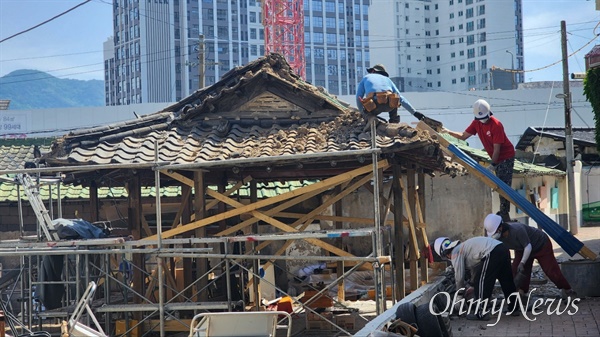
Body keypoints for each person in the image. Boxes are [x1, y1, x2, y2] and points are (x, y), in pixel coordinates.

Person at [442, 99, 515, 221]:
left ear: (489, 113)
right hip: (496, 157)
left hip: (506, 156)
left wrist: (493, 165)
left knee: (504, 185)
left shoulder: (496, 125)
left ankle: (504, 213)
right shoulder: (476, 123)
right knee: (498, 184)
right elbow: (463, 136)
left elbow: (497, 149)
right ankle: (503, 211)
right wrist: (448, 131)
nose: (482, 120)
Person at [483, 213, 577, 299]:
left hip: (541, 245)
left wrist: (522, 262)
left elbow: (528, 247)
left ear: (500, 228)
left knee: (551, 271)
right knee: (516, 270)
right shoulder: (497, 238)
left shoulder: (517, 230)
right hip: (521, 249)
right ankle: (521, 293)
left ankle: (568, 290)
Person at [433, 236, 518, 320]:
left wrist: (459, 295)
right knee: (507, 280)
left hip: (491, 252)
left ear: (445, 254)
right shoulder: (464, 247)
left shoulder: (455, 252)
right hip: (502, 248)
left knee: (482, 282)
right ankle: (513, 308)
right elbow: (475, 268)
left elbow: (459, 276)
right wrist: (472, 285)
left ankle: (482, 313)